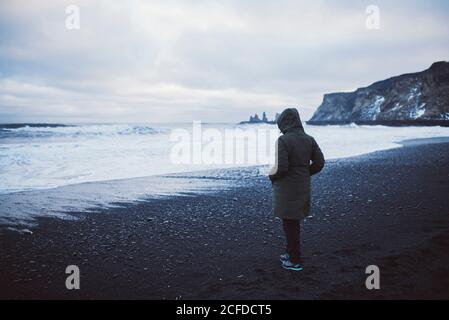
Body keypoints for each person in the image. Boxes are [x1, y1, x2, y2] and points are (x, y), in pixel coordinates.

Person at [269, 108, 325, 271]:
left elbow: (282, 168)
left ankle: (295, 260)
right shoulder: (309, 139)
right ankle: (290, 253)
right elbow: (319, 163)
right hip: (302, 186)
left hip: (287, 189)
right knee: (294, 222)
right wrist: (304, 173)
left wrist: (271, 176)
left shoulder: (283, 140)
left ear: (285, 122)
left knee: (289, 223)